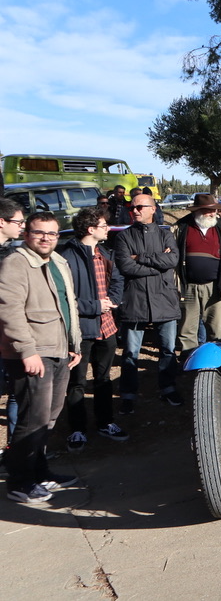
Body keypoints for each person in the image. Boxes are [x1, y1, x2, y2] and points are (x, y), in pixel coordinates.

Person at [0, 212, 81, 503]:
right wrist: (27, 351)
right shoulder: (15, 263)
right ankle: (20, 482)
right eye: (39, 232)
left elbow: (68, 306)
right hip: (33, 354)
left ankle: (40, 471)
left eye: (52, 233)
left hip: (60, 350)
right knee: (32, 418)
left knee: (48, 417)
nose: (46, 238)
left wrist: (75, 343)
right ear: (26, 234)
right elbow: (9, 311)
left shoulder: (58, 262)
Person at [57, 207, 128, 453]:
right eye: (103, 225)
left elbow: (117, 278)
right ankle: (77, 429)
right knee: (76, 382)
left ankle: (105, 422)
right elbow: (63, 298)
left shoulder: (105, 252)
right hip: (81, 330)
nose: (107, 228)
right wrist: (96, 305)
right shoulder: (66, 256)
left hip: (107, 327)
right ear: (90, 229)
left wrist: (113, 299)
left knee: (104, 378)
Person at [114, 193, 182, 412]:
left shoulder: (166, 234)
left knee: (168, 350)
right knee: (130, 353)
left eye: (139, 207)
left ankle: (168, 388)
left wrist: (140, 257)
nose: (134, 211)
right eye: (131, 207)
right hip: (136, 302)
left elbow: (172, 260)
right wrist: (157, 262)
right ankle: (128, 395)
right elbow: (126, 267)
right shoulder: (124, 237)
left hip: (164, 301)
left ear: (153, 209)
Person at [174, 194, 221, 364]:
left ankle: (219, 362)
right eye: (209, 210)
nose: (213, 214)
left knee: (216, 328)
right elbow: (172, 255)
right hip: (188, 286)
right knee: (187, 329)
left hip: (215, 286)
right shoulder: (181, 228)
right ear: (198, 211)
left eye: (215, 210)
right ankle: (189, 362)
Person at [0, 199, 26, 444]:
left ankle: (16, 449)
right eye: (18, 222)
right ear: (2, 222)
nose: (22, 226)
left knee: (17, 392)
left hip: (9, 335)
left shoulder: (12, 252)